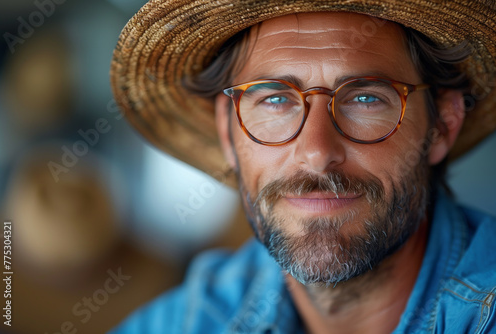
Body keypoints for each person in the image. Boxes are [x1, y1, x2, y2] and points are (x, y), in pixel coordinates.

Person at [109, 0, 496, 333]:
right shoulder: (188, 321)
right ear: (228, 133)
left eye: (364, 98)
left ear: (443, 125)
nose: (316, 153)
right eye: (276, 100)